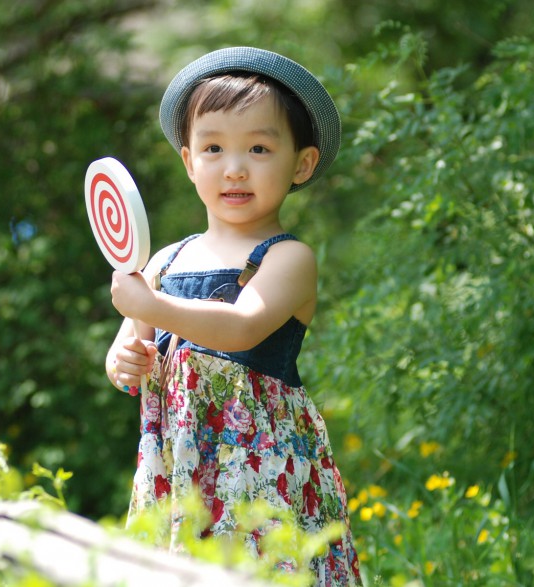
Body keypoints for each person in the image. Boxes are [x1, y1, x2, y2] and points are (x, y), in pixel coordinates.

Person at [104, 47, 361, 585]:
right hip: (179, 462)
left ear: (302, 163)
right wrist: (125, 358)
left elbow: (242, 326)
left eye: (260, 148)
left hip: (263, 465)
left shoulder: (287, 258)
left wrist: (149, 304)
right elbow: (131, 347)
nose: (234, 167)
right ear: (189, 161)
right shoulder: (163, 260)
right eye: (214, 147)